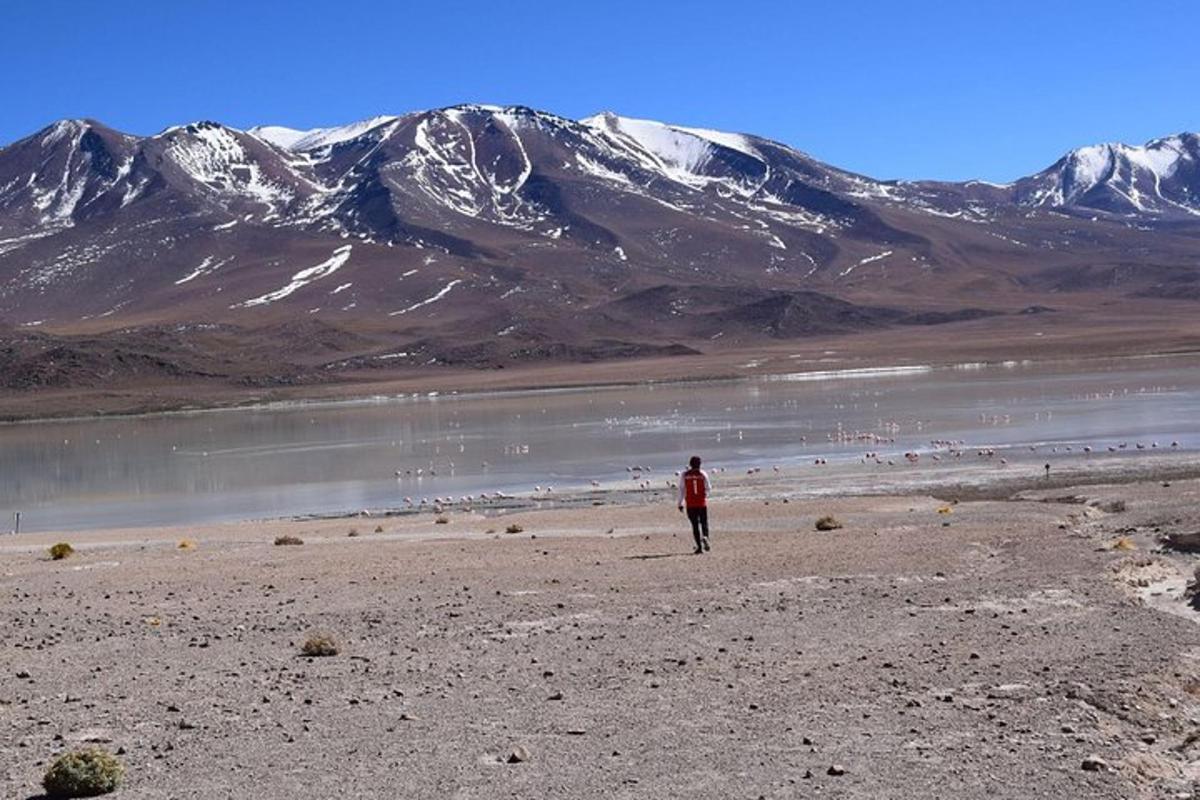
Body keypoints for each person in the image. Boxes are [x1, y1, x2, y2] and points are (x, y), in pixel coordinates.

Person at [677, 455, 712, 554]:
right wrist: (704, 495)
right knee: (704, 522)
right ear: (700, 464)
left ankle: (699, 547)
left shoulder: (685, 475)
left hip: (690, 504)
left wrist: (680, 503)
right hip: (701, 503)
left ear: (690, 464)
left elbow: (681, 490)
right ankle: (705, 536)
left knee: (695, 525)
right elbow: (708, 488)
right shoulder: (703, 474)